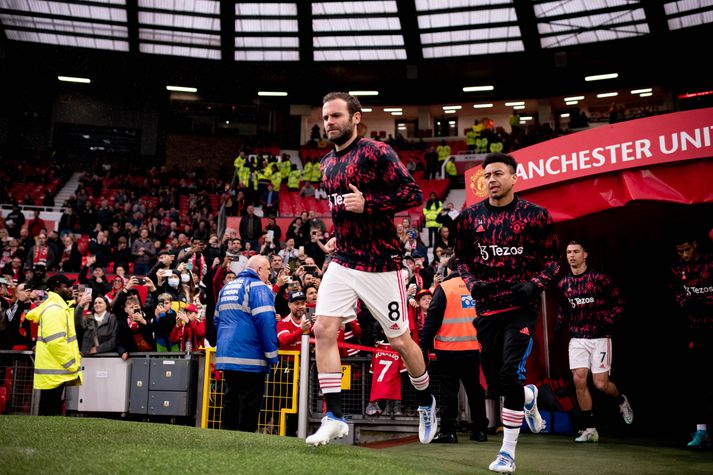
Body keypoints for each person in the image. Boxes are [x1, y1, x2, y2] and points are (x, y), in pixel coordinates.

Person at [306, 92, 437, 446]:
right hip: (344, 260)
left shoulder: (377, 152)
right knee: (323, 328)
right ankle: (333, 416)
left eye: (335, 116)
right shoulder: (325, 164)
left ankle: (426, 400)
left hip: (381, 265)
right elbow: (342, 209)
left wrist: (370, 204)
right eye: (325, 117)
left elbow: (413, 195)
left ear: (356, 118)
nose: (329, 122)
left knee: (400, 341)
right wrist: (336, 236)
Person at [454, 152, 560, 473]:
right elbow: (461, 260)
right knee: (498, 384)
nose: (491, 180)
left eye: (498, 174)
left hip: (520, 310)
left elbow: (553, 260)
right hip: (487, 310)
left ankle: (507, 453)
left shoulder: (535, 215)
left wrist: (534, 284)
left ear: (515, 178)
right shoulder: (469, 218)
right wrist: (473, 283)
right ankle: (528, 395)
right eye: (487, 175)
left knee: (508, 373)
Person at [556, 241, 633, 443]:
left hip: (599, 337)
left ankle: (621, 400)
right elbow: (563, 311)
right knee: (579, 379)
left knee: (600, 384)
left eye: (576, 252)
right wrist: (558, 329)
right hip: (577, 337)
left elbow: (619, 303)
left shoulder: (599, 279)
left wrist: (606, 322)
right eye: (568, 252)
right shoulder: (564, 283)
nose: (572, 256)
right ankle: (590, 428)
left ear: (585, 254)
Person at [420, 257, 488, 443]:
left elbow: (432, 321)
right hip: (473, 348)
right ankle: (480, 430)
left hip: (448, 349)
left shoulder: (445, 288)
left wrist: (422, 346)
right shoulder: (476, 286)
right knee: (475, 390)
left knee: (449, 392)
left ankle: (448, 432)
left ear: (449, 270)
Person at [215, 255, 278, 432]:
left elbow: (216, 320)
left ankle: (226, 439)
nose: (269, 275)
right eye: (268, 270)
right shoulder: (259, 287)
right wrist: (272, 355)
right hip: (251, 357)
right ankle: (245, 444)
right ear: (258, 270)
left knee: (230, 400)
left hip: (227, 356)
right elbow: (266, 323)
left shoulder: (226, 288)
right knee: (249, 405)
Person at [670, 234, 713, 449]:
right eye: (680, 251)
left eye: (687, 249)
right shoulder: (677, 269)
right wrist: (689, 303)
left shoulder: (710, 263)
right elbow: (679, 296)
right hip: (696, 332)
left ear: (695, 244)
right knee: (698, 382)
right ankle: (701, 431)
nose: (684, 255)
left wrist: (703, 302)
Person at [26, 274, 83, 415]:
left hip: (55, 368)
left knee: (51, 411)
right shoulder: (54, 309)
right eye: (67, 286)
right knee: (49, 412)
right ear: (57, 288)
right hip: (55, 368)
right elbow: (55, 342)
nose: (71, 289)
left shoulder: (58, 308)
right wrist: (71, 363)